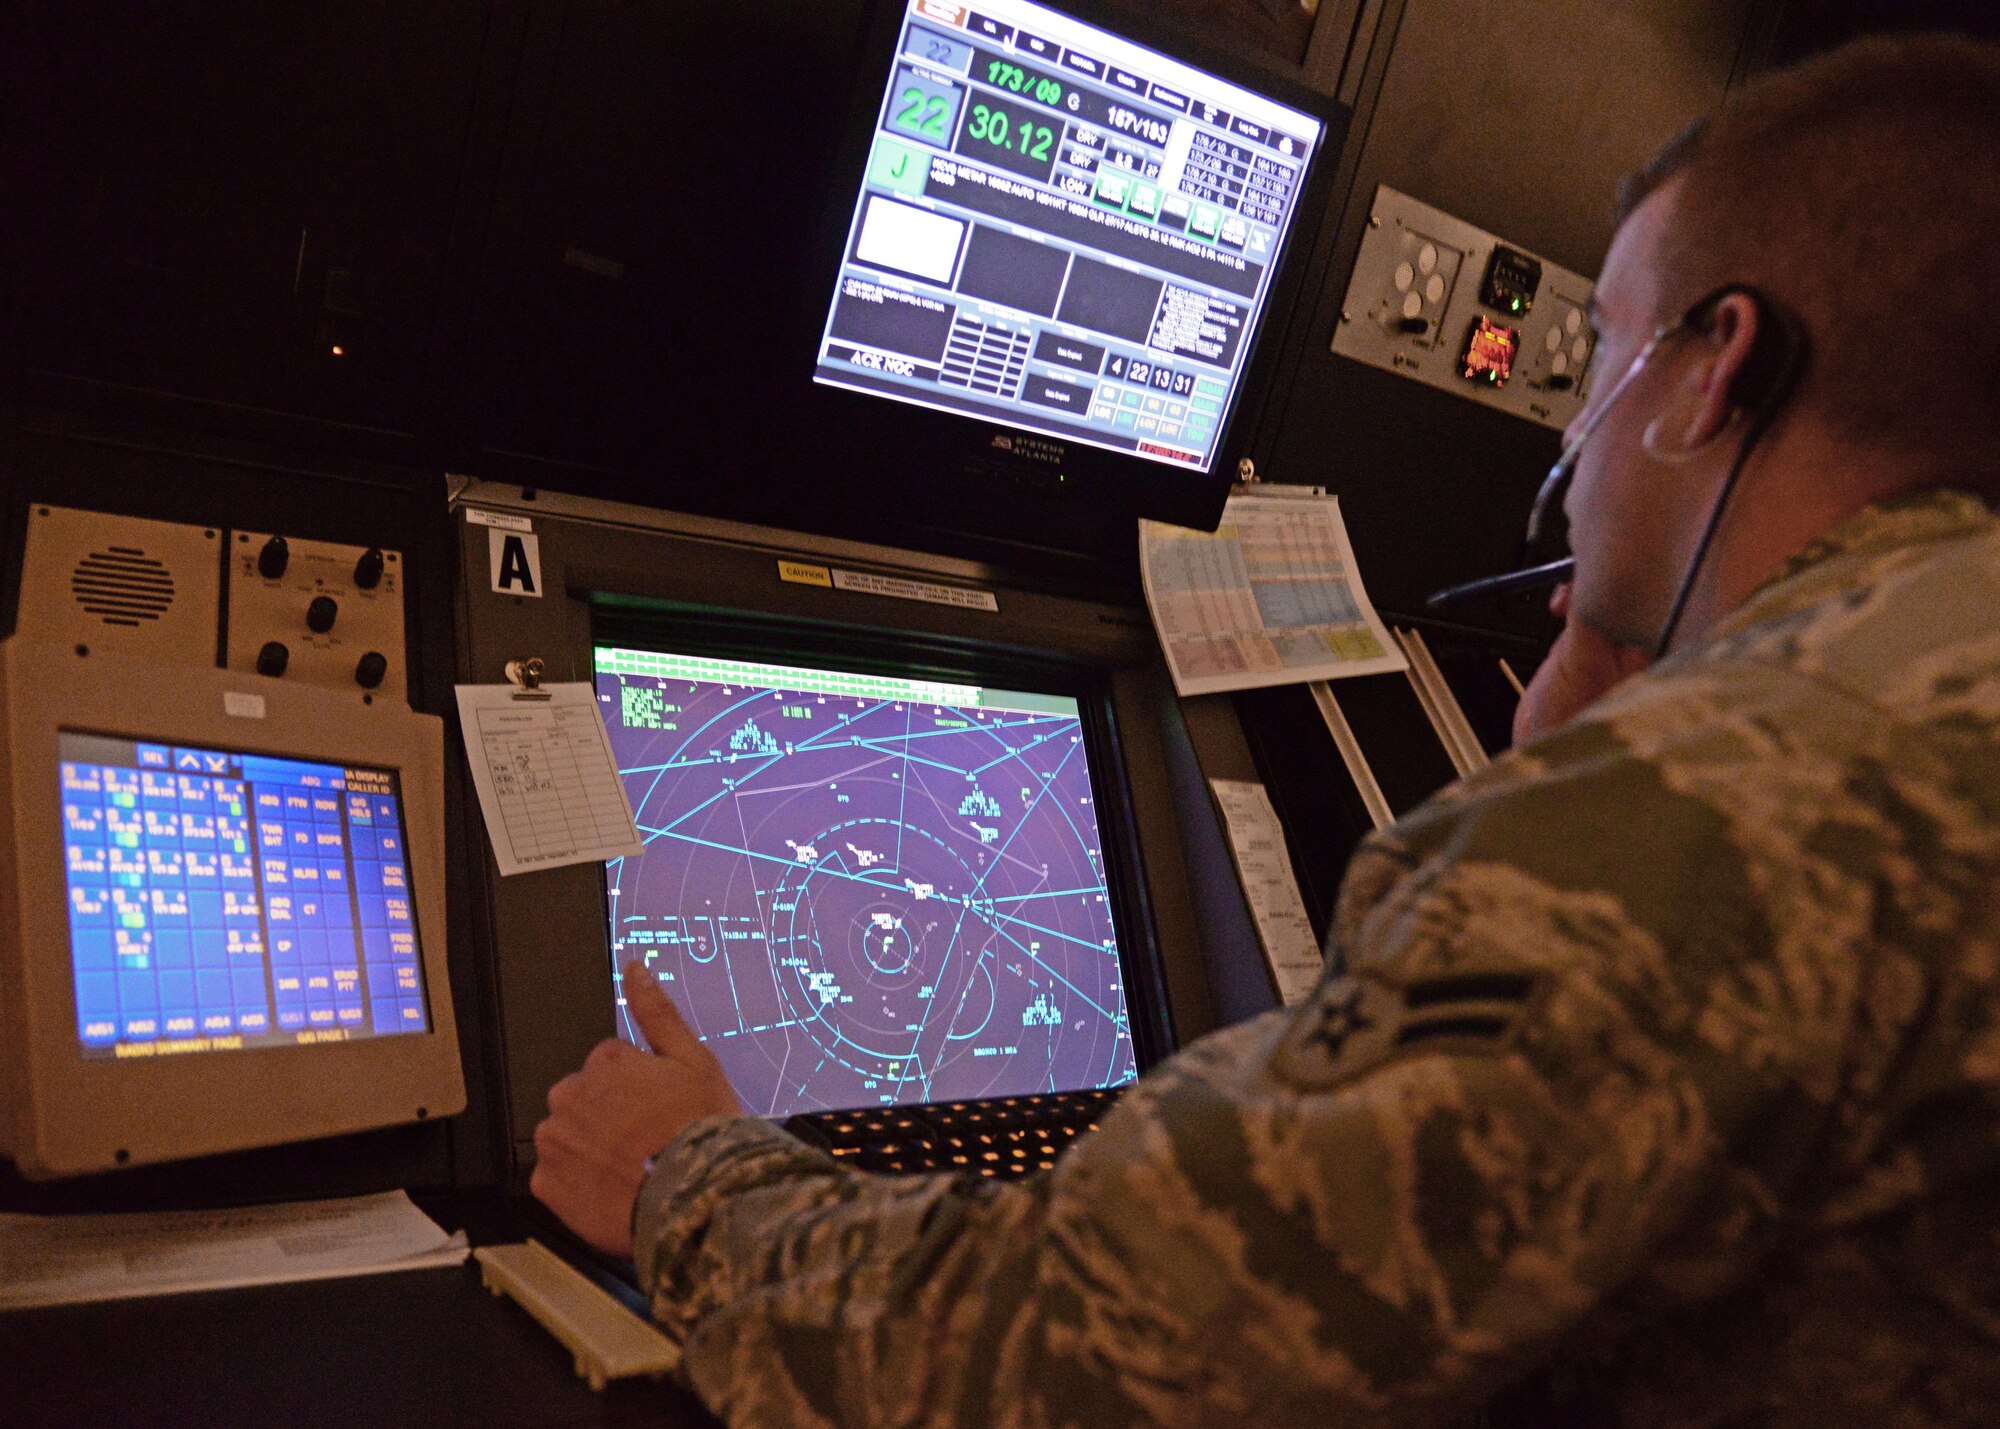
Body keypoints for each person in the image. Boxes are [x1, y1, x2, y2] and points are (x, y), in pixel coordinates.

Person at [531, 34, 2000, 1426]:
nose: (1572, 436)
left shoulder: (1724, 796)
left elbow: (1093, 1355)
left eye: (1606, 351)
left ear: (1718, 368)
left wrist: (679, 1178)